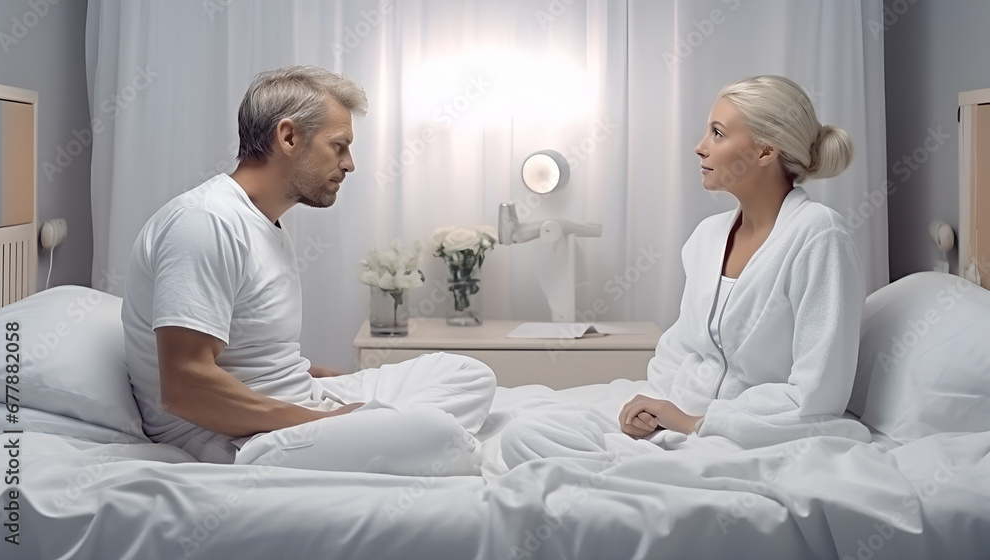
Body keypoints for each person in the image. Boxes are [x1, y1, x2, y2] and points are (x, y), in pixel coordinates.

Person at [122, 65, 496, 467]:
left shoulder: (263, 223)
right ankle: (397, 434)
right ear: (288, 137)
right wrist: (322, 420)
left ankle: (385, 431)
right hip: (234, 438)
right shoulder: (205, 222)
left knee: (469, 375)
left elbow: (257, 355)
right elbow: (185, 386)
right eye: (339, 145)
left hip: (293, 404)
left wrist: (328, 384)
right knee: (436, 436)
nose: (349, 164)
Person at [501, 75, 872, 469]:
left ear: (765, 151)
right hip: (672, 425)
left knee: (535, 448)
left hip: (748, 438)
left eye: (717, 133)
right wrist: (650, 411)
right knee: (526, 425)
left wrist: (697, 423)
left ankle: (614, 480)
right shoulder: (707, 237)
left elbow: (819, 395)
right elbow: (680, 349)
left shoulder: (818, 236)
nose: (700, 147)